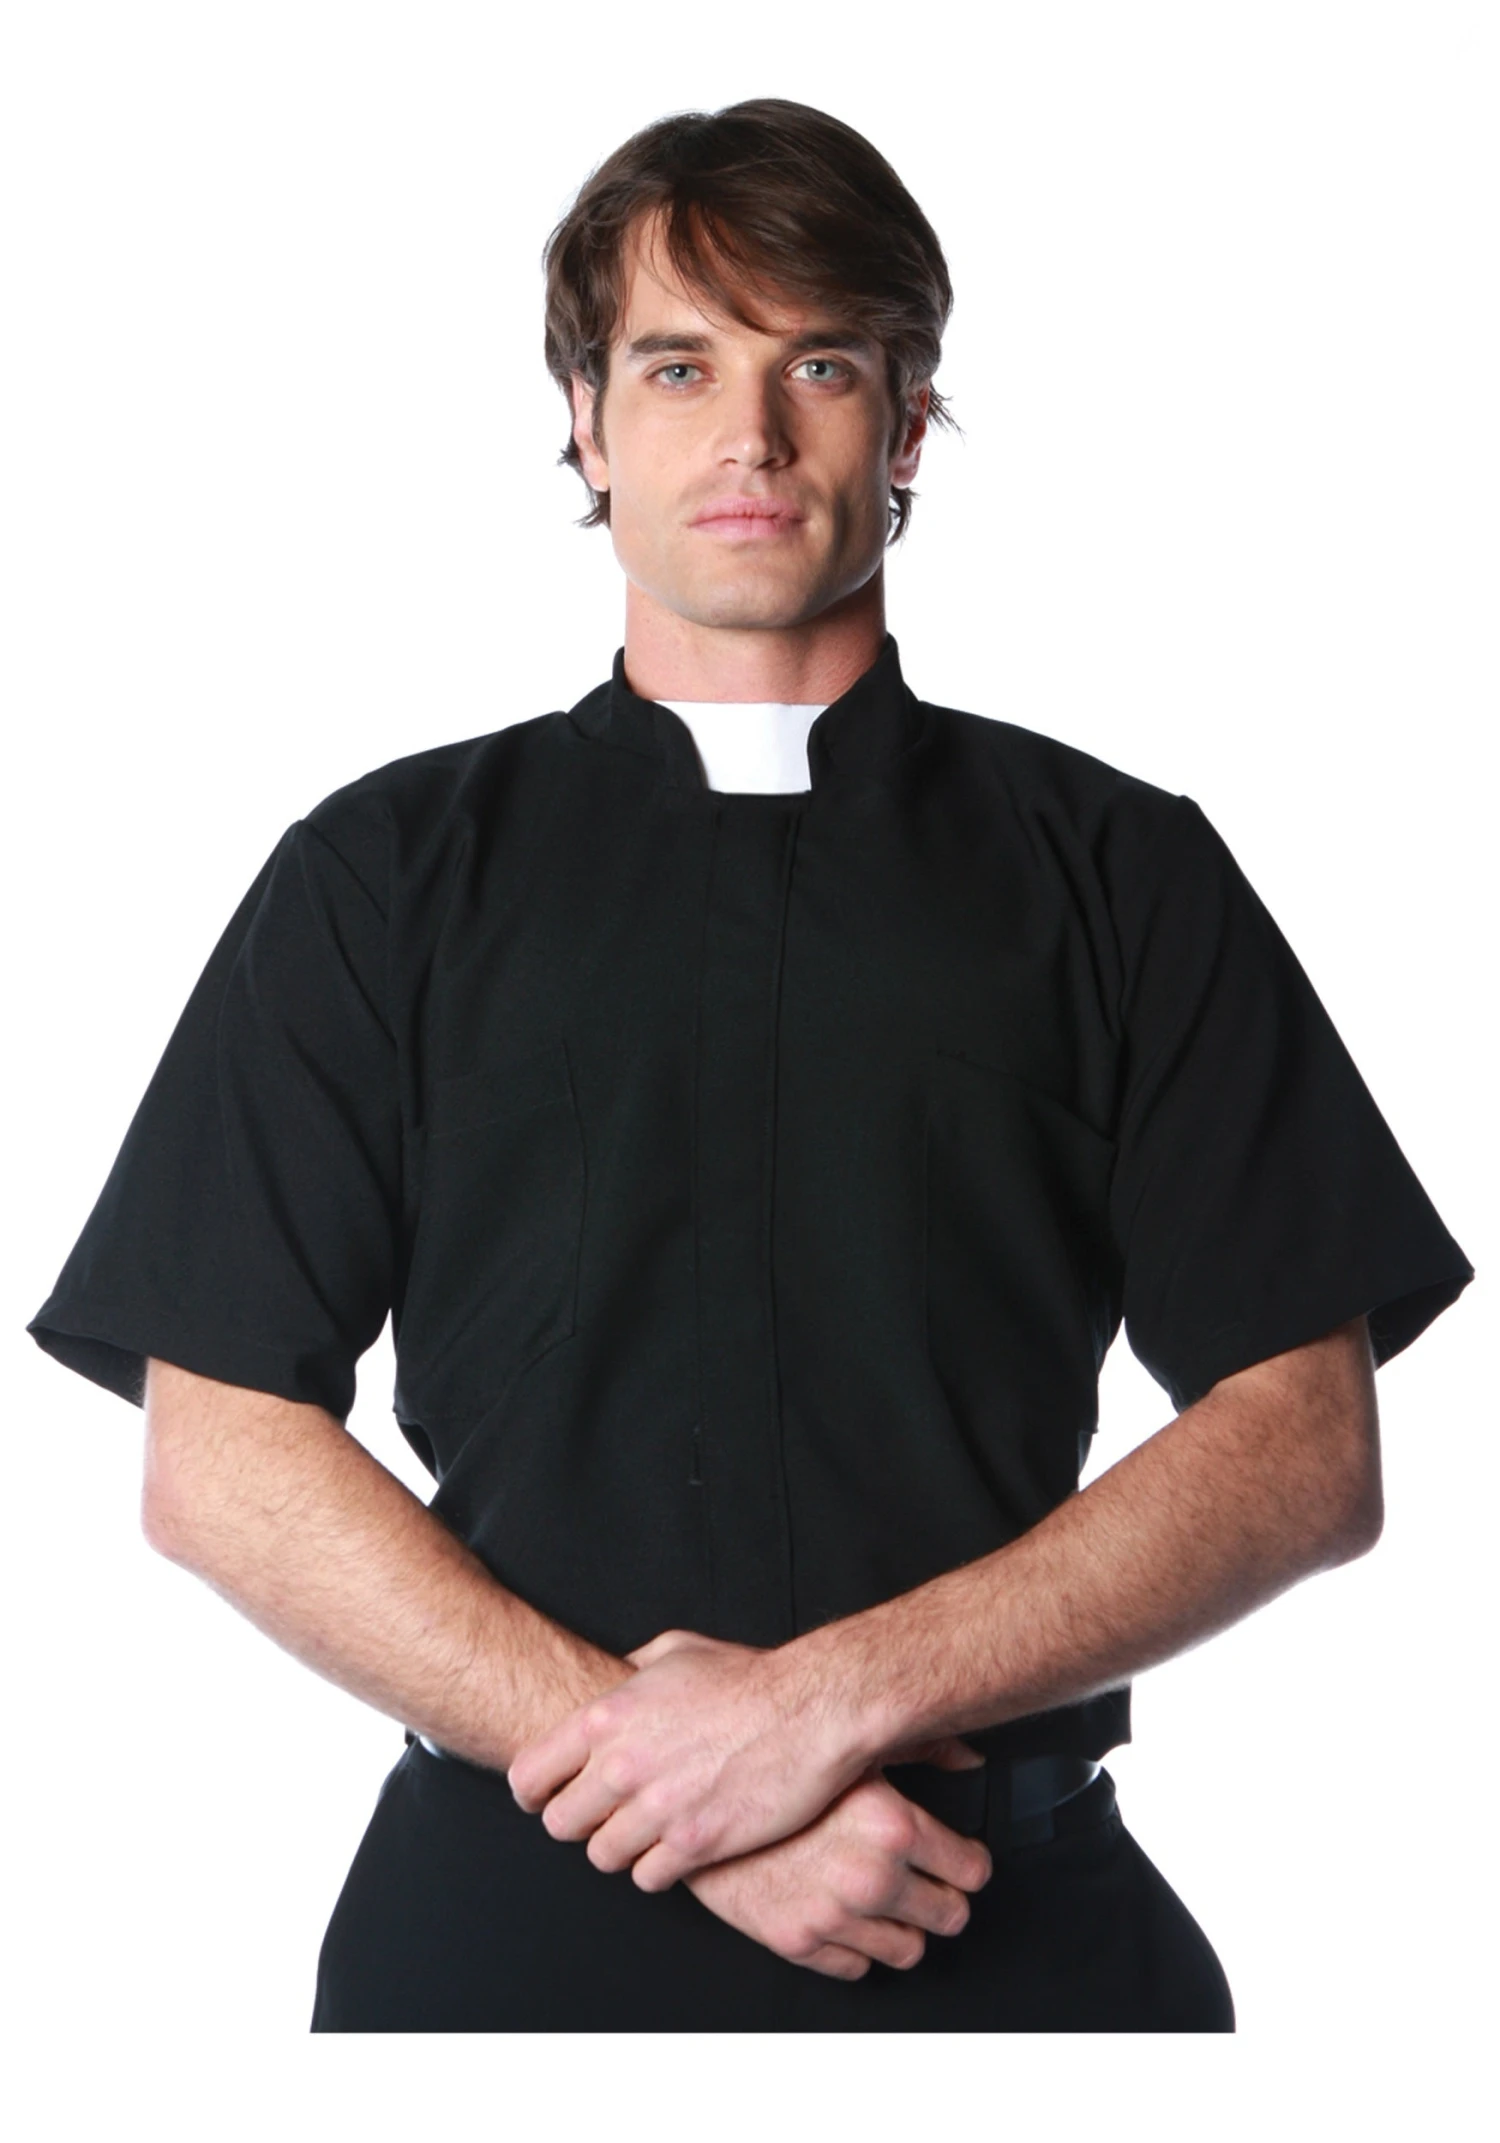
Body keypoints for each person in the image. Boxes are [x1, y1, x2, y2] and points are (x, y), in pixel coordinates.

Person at [27, 97, 1473, 2033]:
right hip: (499, 1949)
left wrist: (824, 1707)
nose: (753, 435)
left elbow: (1304, 1438)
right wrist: (681, 1792)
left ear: (910, 419)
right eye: (678, 364)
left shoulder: (1123, 868)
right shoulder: (384, 873)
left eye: (823, 365)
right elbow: (216, 1452)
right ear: (584, 418)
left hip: (1018, 1940)